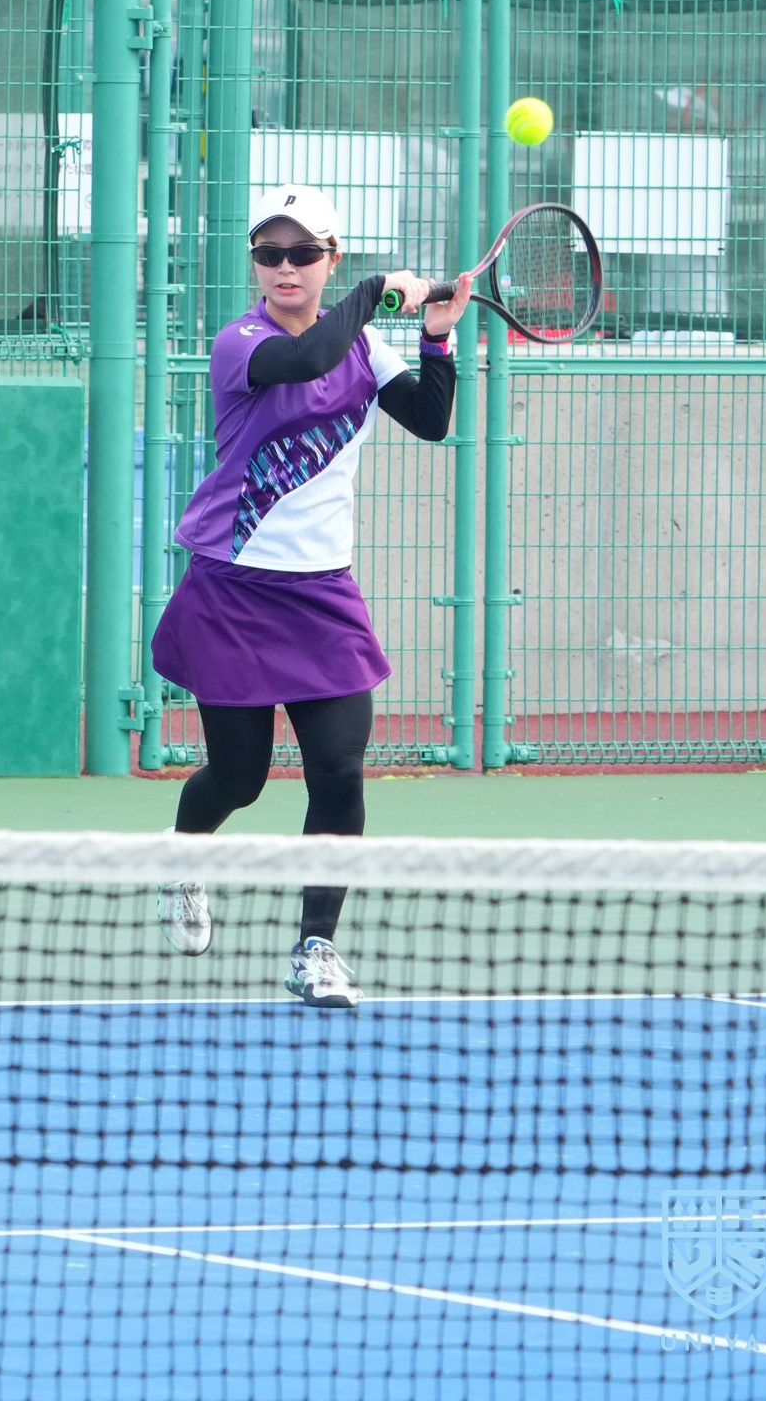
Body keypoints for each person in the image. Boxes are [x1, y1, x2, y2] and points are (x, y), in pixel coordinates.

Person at [151, 186, 471, 1008]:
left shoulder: (367, 346)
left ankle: (316, 947)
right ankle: (182, 855)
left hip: (324, 593)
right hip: (234, 590)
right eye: (270, 254)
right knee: (240, 777)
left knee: (338, 773)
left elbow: (430, 420)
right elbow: (306, 362)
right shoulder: (241, 343)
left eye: (302, 253)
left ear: (329, 259)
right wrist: (377, 290)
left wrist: (436, 339)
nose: (285, 268)